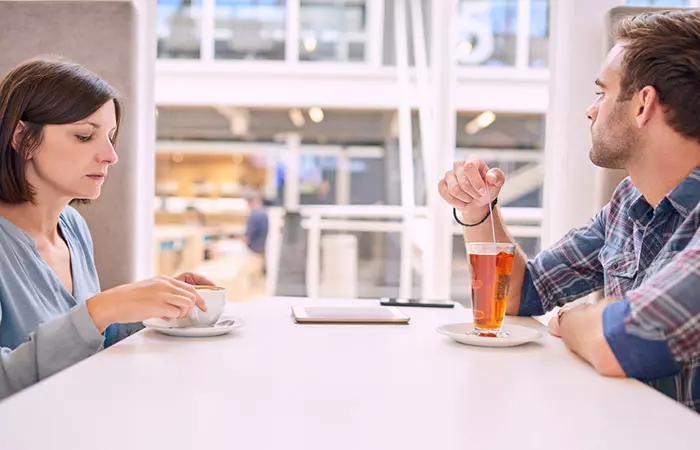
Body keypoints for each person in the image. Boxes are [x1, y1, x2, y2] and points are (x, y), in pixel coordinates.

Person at [439, 10, 700, 412]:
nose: (591, 111)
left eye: (602, 92)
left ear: (643, 104)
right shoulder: (629, 204)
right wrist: (480, 210)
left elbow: (628, 341)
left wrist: (576, 318)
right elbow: (523, 293)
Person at [0, 56, 213, 401]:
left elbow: (84, 344)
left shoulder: (72, 227)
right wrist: (101, 309)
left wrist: (151, 305)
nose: (111, 155)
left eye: (111, 137)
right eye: (85, 136)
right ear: (23, 138)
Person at [234, 190, 268, 300]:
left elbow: (247, 238)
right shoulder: (264, 213)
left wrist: (234, 238)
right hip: (261, 250)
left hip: (252, 251)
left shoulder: (255, 215)